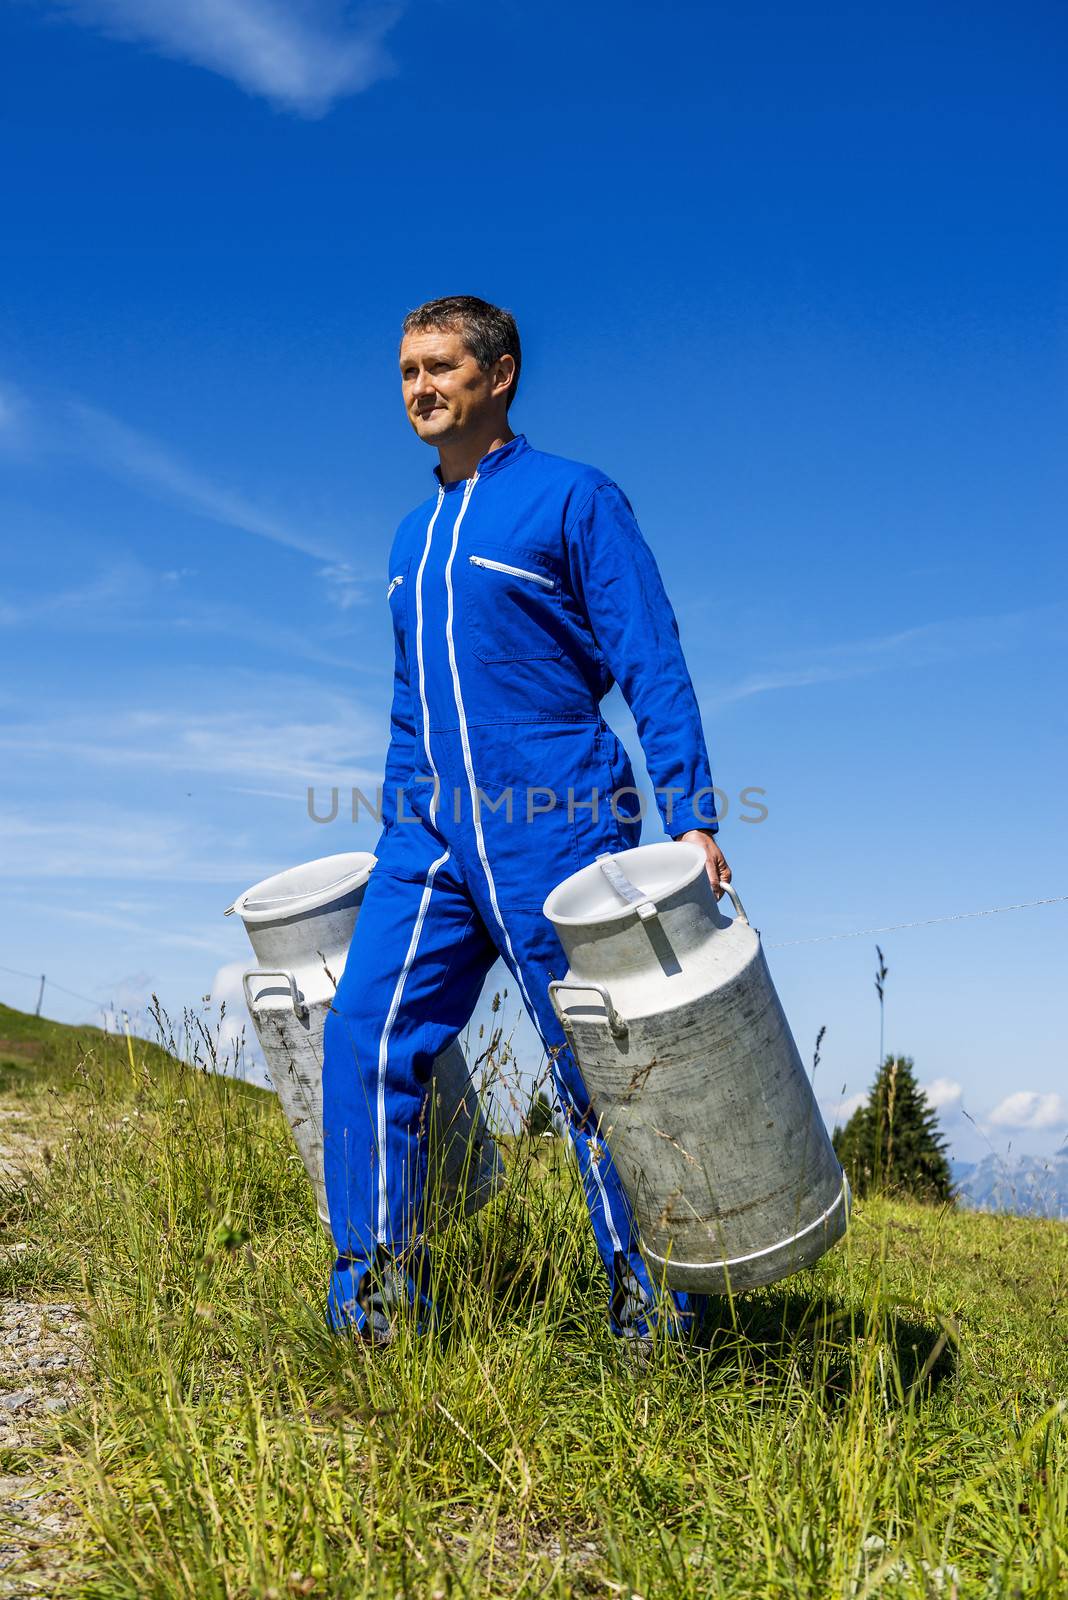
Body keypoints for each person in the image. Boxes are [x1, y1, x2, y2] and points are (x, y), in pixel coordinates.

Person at [321, 295, 730, 1347]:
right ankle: (374, 1303)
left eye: (441, 366)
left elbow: (653, 658)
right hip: (431, 836)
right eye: (407, 369)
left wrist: (691, 816)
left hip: (559, 818)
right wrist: (400, 836)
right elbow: (413, 703)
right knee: (367, 1036)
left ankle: (654, 1313)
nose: (419, 386)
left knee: (598, 1066)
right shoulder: (411, 539)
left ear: (498, 376)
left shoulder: (573, 501)